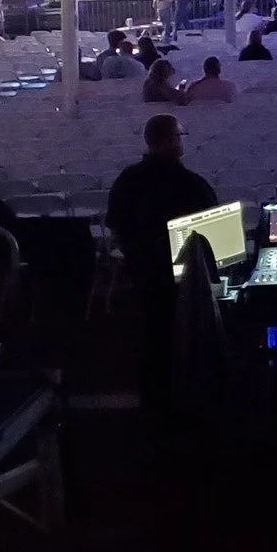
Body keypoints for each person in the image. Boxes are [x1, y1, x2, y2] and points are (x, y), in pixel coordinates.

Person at [106, 116, 218, 411]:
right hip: (184, 277)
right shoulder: (190, 184)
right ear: (170, 140)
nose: (182, 140)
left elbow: (115, 224)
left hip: (142, 272)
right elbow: (212, 230)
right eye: (180, 135)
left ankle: (154, 401)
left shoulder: (127, 180)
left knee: (153, 336)